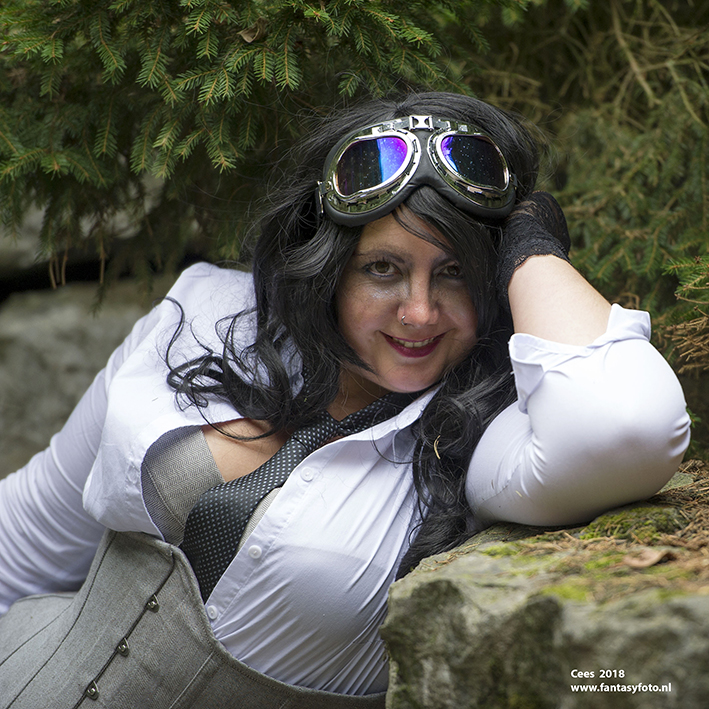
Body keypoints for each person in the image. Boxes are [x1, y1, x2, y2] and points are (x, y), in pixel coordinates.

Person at [0, 92, 690, 708]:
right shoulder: (206, 312)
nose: (418, 312)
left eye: (454, 272)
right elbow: (25, 537)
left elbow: (627, 425)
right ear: (330, 266)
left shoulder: (484, 437)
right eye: (382, 268)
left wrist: (531, 246)